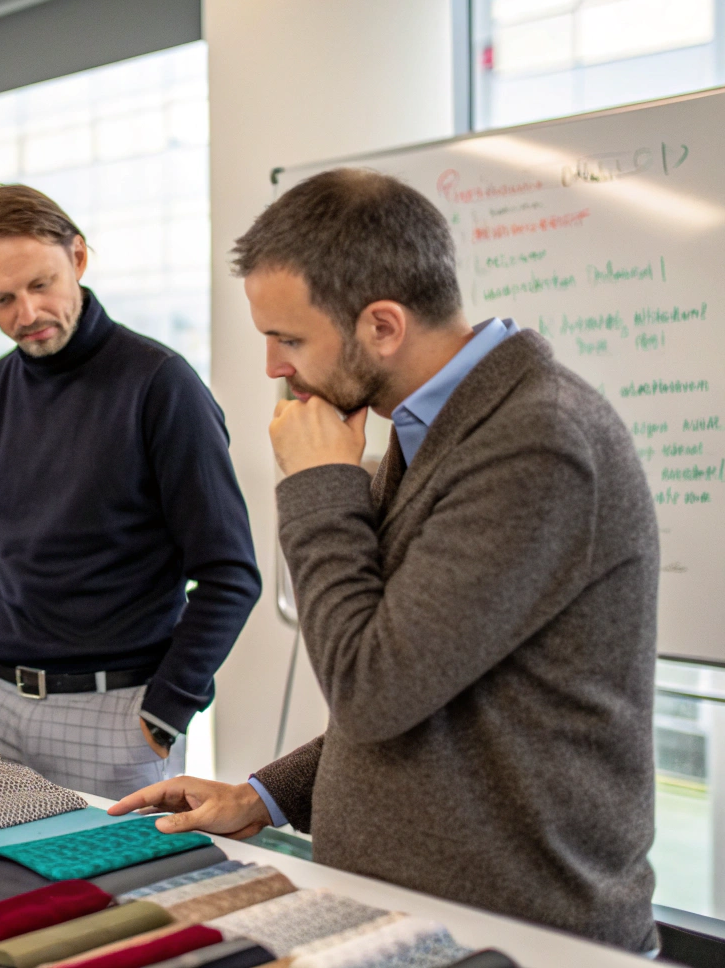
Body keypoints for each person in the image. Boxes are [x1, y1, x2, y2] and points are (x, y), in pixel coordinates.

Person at [110, 169, 660, 953]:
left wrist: (318, 484)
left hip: (520, 936)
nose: (273, 366)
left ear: (383, 326)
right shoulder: (433, 426)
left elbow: (372, 690)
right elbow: (432, 687)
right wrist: (264, 795)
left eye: (290, 339)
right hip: (422, 913)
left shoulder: (535, 441)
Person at [0, 184, 261, 800]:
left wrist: (166, 711)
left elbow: (230, 573)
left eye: (41, 285)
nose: (26, 314)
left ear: (78, 258)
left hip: (117, 716)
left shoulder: (161, 384)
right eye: (2, 299)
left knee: (114, 870)